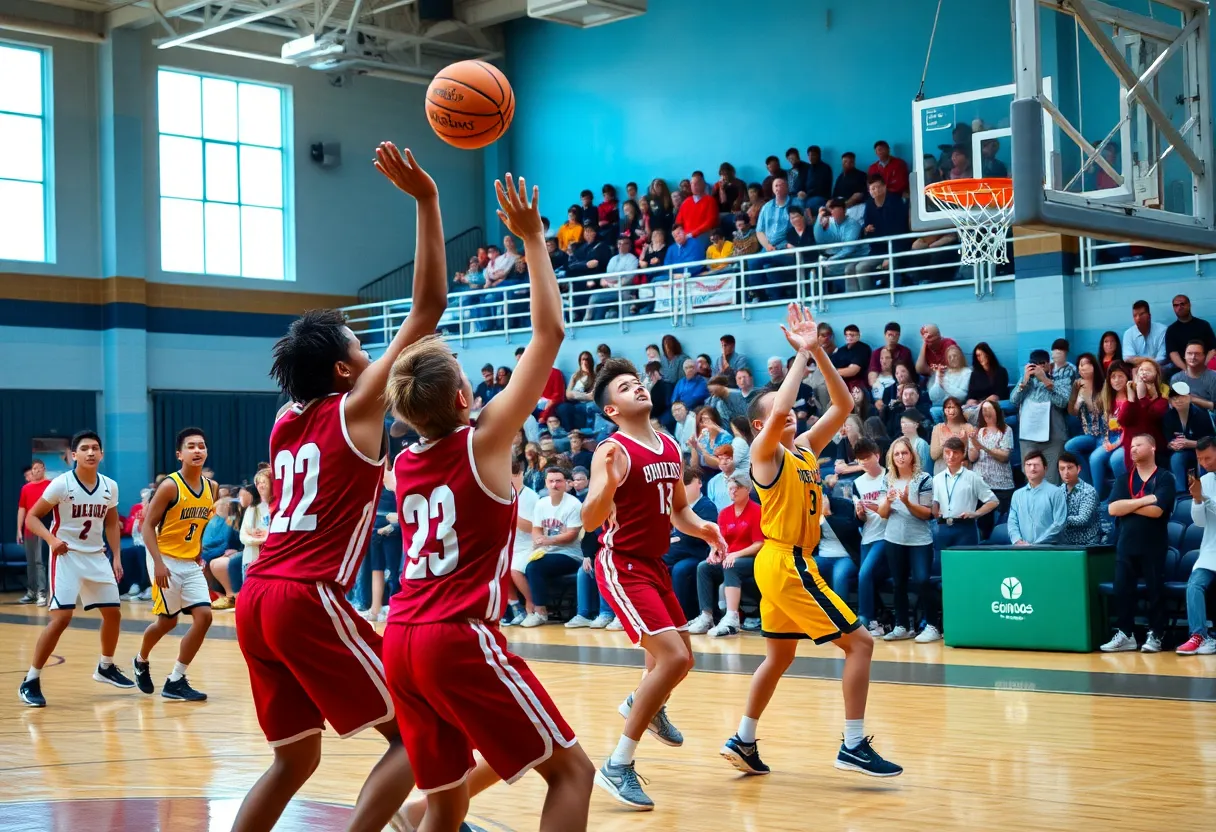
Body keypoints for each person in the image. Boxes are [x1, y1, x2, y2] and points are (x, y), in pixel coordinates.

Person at [230, 143, 445, 832]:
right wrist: (426, 200)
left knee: (294, 762)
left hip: (255, 595)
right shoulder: (354, 409)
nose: (370, 350)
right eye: (361, 346)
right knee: (422, 725)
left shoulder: (284, 419)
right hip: (302, 595)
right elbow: (429, 307)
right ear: (349, 374)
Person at [384, 173, 594, 832]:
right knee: (572, 772)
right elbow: (549, 334)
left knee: (445, 800)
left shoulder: (403, 463)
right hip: (455, 636)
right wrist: (534, 241)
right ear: (461, 400)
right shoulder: (485, 443)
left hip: (401, 637)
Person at [720, 304, 901, 779]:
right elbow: (781, 405)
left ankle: (742, 738)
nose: (792, 415)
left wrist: (819, 352)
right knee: (861, 645)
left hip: (788, 562)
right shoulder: (765, 454)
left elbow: (842, 406)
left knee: (779, 656)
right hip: (786, 562)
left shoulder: (803, 448)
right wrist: (800, 355)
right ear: (760, 427)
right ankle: (854, 744)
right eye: (779, 414)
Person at [582, 355, 727, 811]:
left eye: (637, 382)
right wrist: (605, 488)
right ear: (612, 410)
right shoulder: (612, 450)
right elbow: (590, 518)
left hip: (654, 564)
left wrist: (705, 528)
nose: (637, 388)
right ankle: (617, 765)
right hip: (621, 564)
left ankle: (644, 702)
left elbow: (678, 511)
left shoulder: (667, 444)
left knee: (683, 661)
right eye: (624, 388)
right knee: (673, 656)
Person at [19, 431, 134, 707]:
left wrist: (116, 556)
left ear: (102, 454)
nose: (91, 452)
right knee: (62, 618)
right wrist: (51, 539)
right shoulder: (61, 484)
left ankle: (106, 666)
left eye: (96, 448)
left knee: (114, 614)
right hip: (66, 555)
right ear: (74, 455)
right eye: (85, 448)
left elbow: (110, 523)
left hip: (96, 556)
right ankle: (30, 680)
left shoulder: (110, 486)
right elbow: (33, 518)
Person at [132, 427, 216, 702]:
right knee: (167, 622)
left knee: (205, 617)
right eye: (191, 446)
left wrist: (198, 550)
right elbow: (147, 527)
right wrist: (157, 563)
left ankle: (176, 679)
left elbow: (198, 524)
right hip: (163, 557)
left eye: (201, 446)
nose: (197, 450)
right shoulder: (170, 485)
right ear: (179, 454)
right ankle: (141, 660)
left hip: (189, 560)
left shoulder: (212, 488)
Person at [1101, 434, 1176, 653]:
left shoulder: (1164, 478)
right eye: (1131, 446)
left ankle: (1156, 633)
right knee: (1122, 589)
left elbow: (1157, 510)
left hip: (1153, 544)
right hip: (1126, 543)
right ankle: (1126, 634)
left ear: (1152, 447)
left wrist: (1129, 506)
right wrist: (1146, 499)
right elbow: (1113, 509)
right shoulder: (1125, 478)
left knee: (1155, 591)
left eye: (1138, 445)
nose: (1132, 449)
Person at [521, 467, 585, 627]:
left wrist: (547, 540)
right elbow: (536, 529)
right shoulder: (541, 504)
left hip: (571, 554)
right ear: (545, 483)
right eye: (551, 481)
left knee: (534, 568)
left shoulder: (573, 505)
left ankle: (540, 612)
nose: (554, 484)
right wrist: (538, 539)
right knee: (519, 566)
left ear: (566, 484)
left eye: (558, 481)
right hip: (547, 551)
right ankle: (522, 610)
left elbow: (571, 535)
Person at [1177, 437, 1216, 655]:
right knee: (1195, 585)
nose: (1204, 463)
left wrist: (1205, 499)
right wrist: (1197, 500)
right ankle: (1199, 635)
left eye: (1208, 457)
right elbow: (1199, 522)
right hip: (1211, 550)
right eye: (1200, 459)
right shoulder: (1206, 479)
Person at [1007, 451, 1067, 546]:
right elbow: (1012, 521)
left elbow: (1059, 523)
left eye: (1036, 465)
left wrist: (1036, 544)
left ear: (1045, 468)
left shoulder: (1056, 492)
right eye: (1028, 465)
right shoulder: (1017, 494)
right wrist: (1017, 541)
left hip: (1049, 549)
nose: (1032, 468)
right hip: (1022, 550)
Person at [16, 458, 51, 606]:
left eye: (38, 468)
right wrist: (19, 530)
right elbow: (22, 509)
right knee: (30, 562)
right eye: (34, 469)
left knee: (40, 561)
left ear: (43, 469)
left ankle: (42, 592)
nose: (36, 471)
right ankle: (31, 592)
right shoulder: (26, 488)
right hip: (28, 530)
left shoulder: (50, 485)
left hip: (43, 529)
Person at [1057, 452, 1101, 546]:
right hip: (1064, 542)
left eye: (1069, 468)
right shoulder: (1059, 491)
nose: (1066, 472)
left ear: (1078, 469)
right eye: (1062, 469)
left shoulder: (1088, 491)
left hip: (1088, 543)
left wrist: (1058, 520)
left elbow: (1082, 519)